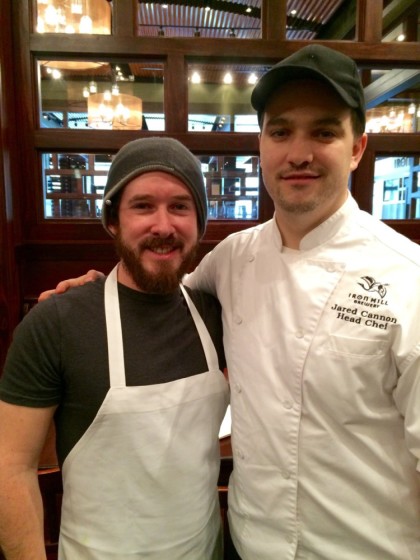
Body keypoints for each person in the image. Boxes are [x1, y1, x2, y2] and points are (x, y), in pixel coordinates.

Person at [38, 45, 420, 559]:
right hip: (246, 542)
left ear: (357, 148)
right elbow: (157, 290)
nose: (299, 153)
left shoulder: (408, 278)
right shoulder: (232, 259)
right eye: (280, 132)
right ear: (261, 145)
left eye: (324, 132)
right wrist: (91, 290)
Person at [0, 137, 229, 560]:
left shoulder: (217, 314)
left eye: (180, 206)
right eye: (143, 206)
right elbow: (10, 468)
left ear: (200, 221)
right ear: (112, 221)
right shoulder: (56, 323)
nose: (163, 226)